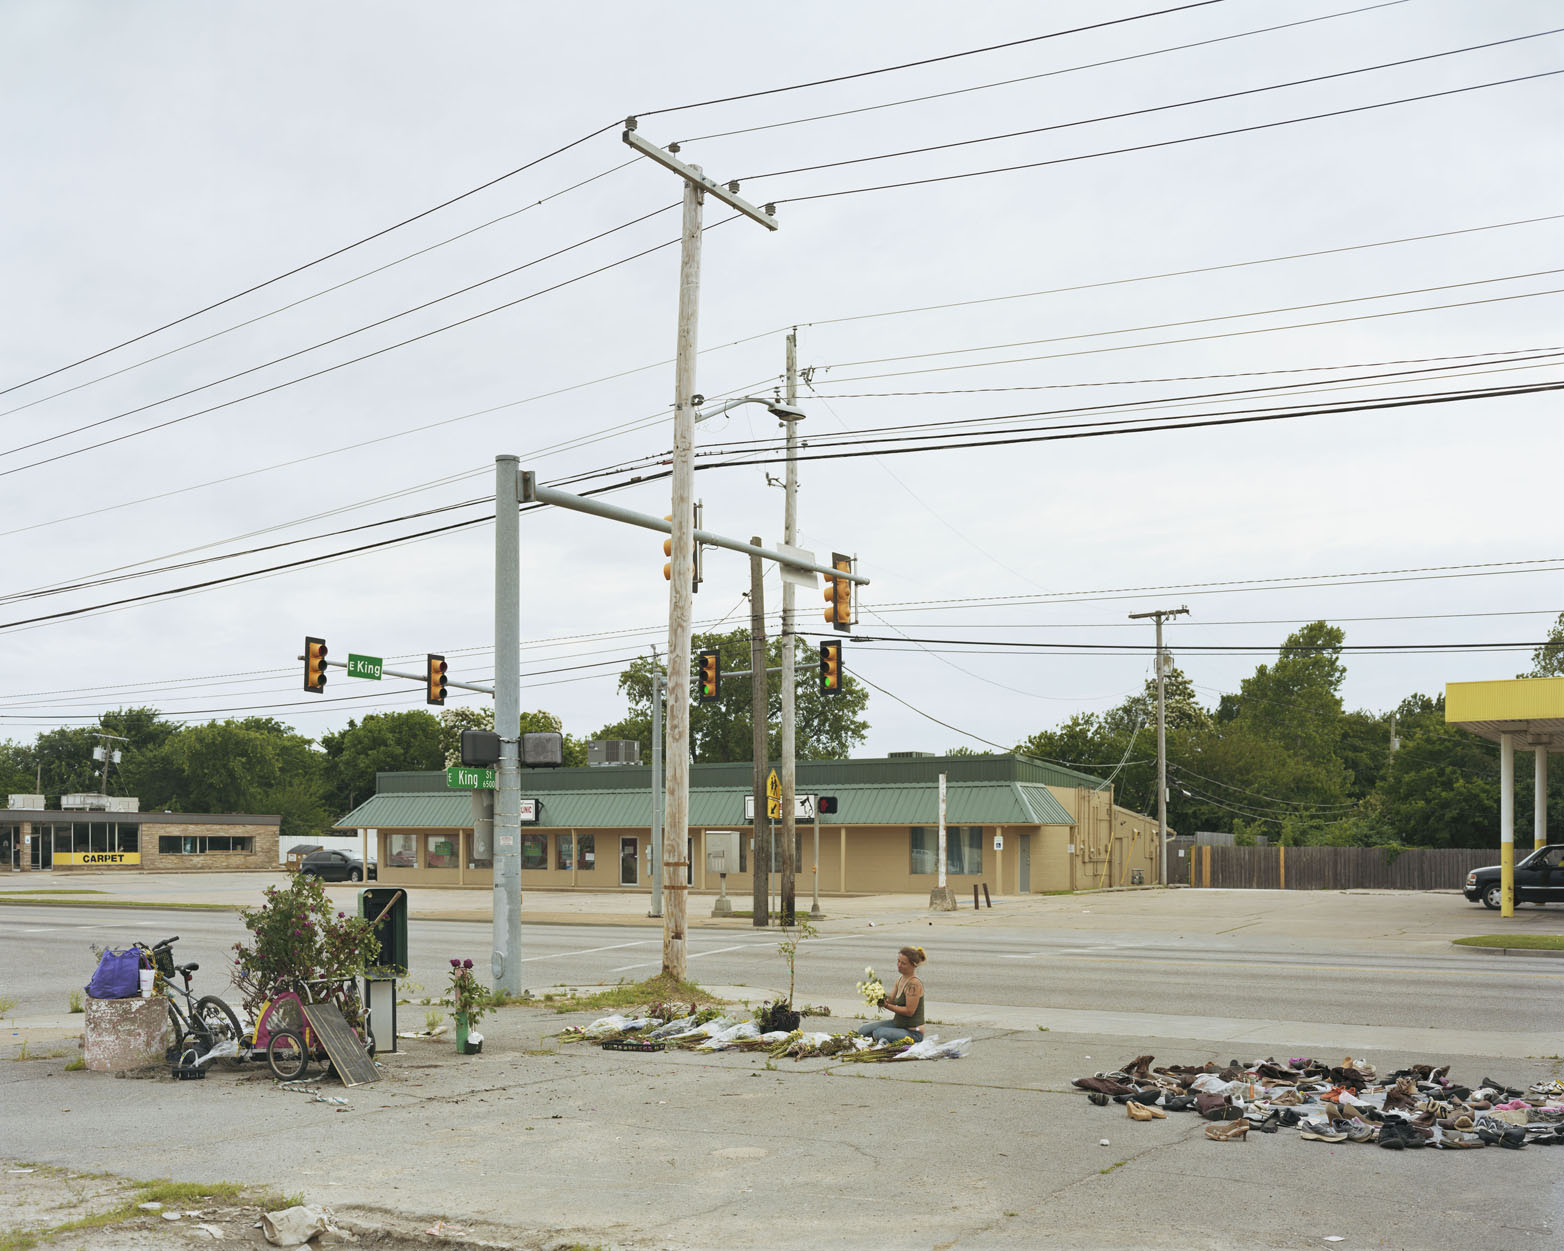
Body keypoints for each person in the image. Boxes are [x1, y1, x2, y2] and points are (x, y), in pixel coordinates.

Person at [857, 946, 926, 1044]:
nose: (899, 965)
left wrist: (886, 1006)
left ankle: (884, 1039)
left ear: (913, 965)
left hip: (913, 1032)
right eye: (898, 961)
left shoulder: (914, 984)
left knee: (879, 1033)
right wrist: (877, 996)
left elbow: (909, 1011)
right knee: (863, 1031)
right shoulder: (900, 980)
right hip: (898, 1024)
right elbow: (891, 1000)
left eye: (903, 963)